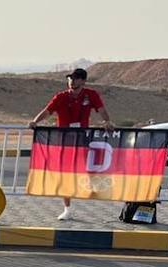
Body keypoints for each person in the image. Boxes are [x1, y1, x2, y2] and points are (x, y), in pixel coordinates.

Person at [29, 67, 115, 221]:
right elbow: (47, 111)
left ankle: (94, 188)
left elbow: (101, 110)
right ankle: (67, 209)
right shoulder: (61, 97)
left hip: (83, 140)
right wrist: (35, 121)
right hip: (64, 142)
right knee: (65, 174)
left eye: (75, 78)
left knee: (88, 168)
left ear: (83, 80)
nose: (71, 81)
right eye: (70, 78)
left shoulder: (91, 94)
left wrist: (107, 121)